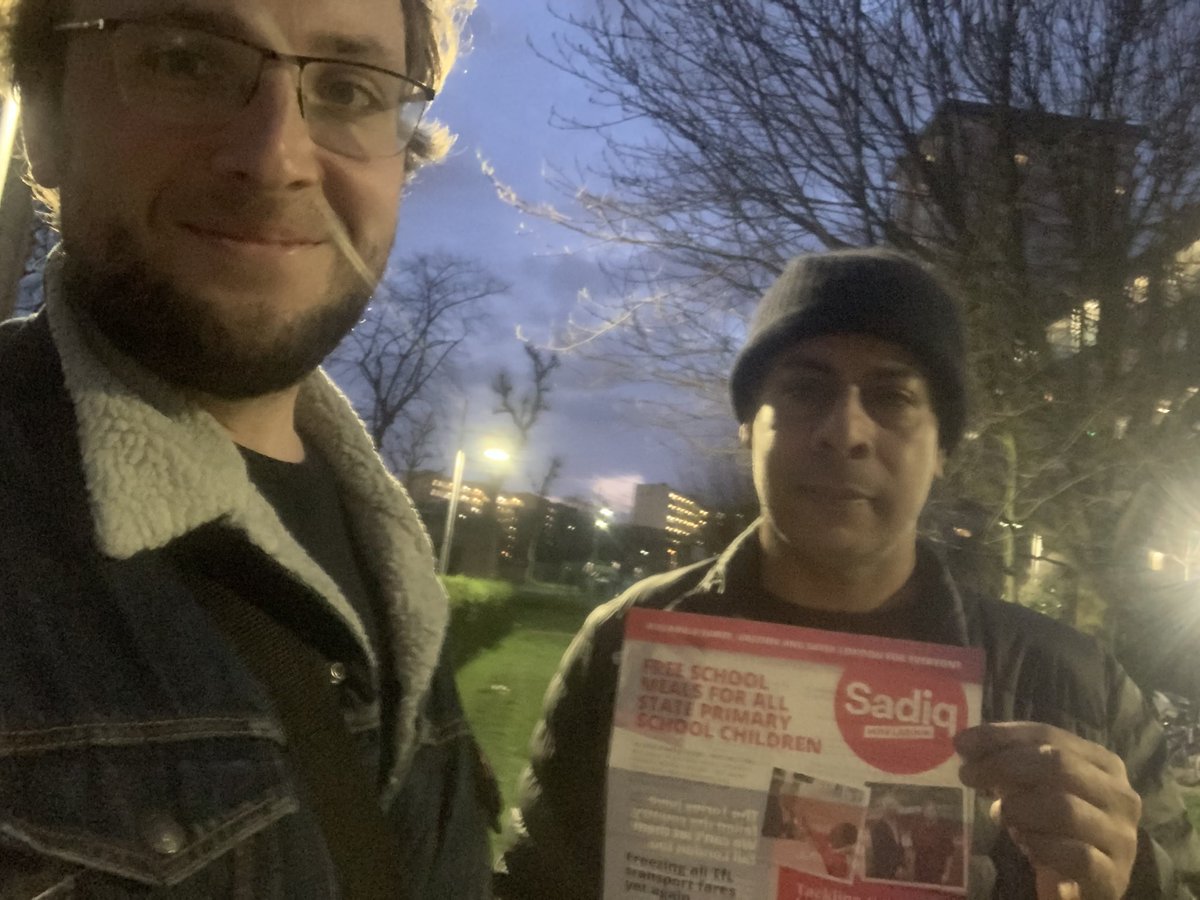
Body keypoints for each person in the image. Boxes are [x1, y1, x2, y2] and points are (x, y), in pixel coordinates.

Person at [494, 248, 1200, 899]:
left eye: (892, 397)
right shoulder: (623, 646)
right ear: (749, 424)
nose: (846, 431)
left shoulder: (1079, 691)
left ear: (943, 448)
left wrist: (1130, 878)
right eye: (805, 389)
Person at [0, 0, 495, 896]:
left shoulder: (390, 557)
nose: (276, 156)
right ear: (42, 119)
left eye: (347, 88)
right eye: (186, 61)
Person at [866, 795, 907, 881]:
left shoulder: (897, 825)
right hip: (885, 872)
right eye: (891, 806)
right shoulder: (877, 828)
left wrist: (901, 866)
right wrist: (894, 869)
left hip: (898, 872)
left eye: (895, 806)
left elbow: (900, 848)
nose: (894, 809)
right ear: (885, 809)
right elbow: (880, 853)